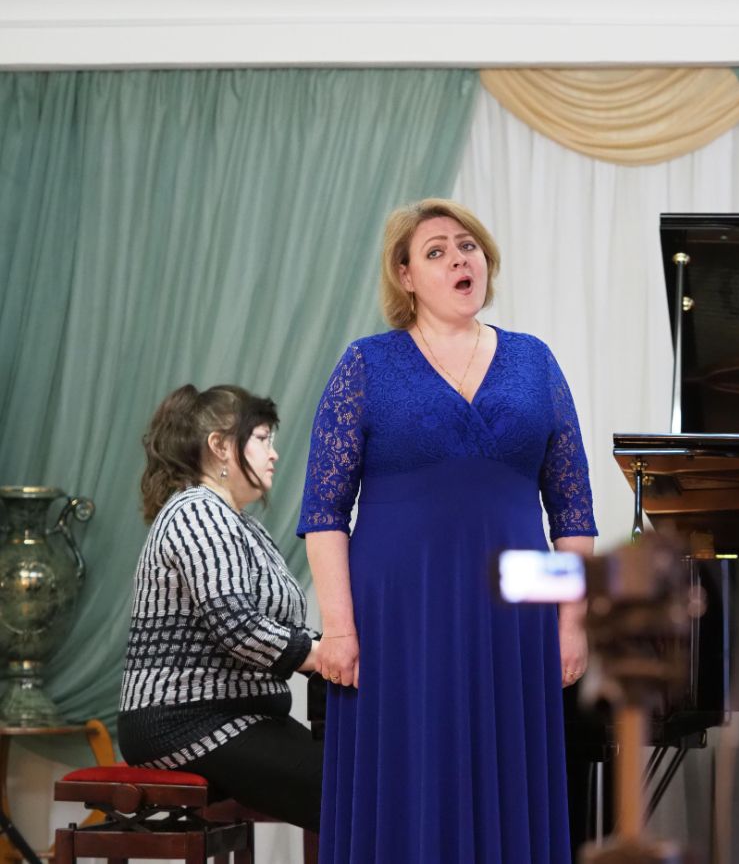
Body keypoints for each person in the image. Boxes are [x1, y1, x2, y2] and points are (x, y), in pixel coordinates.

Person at [297, 199, 597, 863]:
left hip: (516, 613)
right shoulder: (365, 364)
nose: (459, 258)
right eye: (435, 251)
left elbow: (573, 512)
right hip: (398, 612)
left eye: (468, 245)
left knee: (509, 779)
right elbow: (323, 512)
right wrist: (338, 630)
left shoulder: (535, 361)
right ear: (405, 276)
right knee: (408, 775)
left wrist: (572, 624)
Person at [118, 384, 322, 832]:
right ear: (220, 446)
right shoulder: (196, 512)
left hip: (241, 716)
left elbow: (276, 624)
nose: (274, 453)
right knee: (347, 788)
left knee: (357, 777)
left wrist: (334, 649)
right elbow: (237, 627)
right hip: (184, 720)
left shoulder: (242, 525)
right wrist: (321, 655)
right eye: (263, 438)